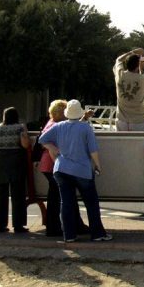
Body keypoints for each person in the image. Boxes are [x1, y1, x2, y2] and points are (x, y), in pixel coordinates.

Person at [39, 99, 111, 243]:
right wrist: (98, 165)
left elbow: (42, 139)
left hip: (61, 168)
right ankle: (97, 234)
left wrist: (52, 148)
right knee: (91, 202)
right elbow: (93, 150)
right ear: (79, 113)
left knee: (66, 203)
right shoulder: (85, 128)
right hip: (82, 169)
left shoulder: (59, 126)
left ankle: (69, 235)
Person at [38, 100, 90, 237]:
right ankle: (59, 227)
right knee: (61, 197)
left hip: (49, 165)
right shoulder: (57, 125)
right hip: (54, 165)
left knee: (59, 196)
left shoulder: (52, 124)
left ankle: (64, 225)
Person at [0, 107, 30, 233]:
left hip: (1, 160)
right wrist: (24, 132)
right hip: (16, 160)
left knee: (1, 194)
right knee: (18, 194)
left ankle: (0, 224)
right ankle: (18, 225)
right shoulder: (20, 127)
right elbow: (25, 145)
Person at [113, 47, 144, 131]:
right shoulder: (143, 78)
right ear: (138, 65)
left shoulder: (119, 75)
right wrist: (141, 68)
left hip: (121, 120)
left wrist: (132, 52)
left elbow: (118, 60)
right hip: (139, 120)